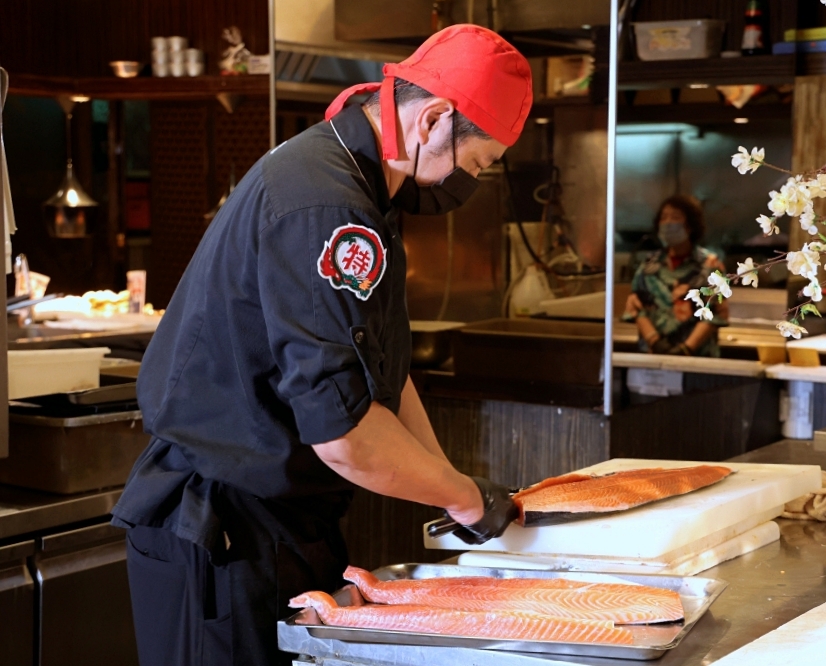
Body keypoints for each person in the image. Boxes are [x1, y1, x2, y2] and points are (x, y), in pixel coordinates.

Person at [110, 25, 533, 666]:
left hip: (282, 524)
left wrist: (453, 483)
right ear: (435, 120)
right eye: (477, 164)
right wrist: (461, 496)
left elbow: (383, 374)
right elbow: (345, 437)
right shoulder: (327, 204)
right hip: (224, 533)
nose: (469, 183)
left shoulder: (363, 184)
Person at [622, 194, 729, 356]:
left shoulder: (711, 265)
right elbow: (637, 308)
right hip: (653, 358)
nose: (668, 223)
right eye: (663, 217)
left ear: (690, 226)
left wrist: (686, 349)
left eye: (675, 217)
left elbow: (715, 313)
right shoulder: (649, 265)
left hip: (698, 358)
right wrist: (655, 342)